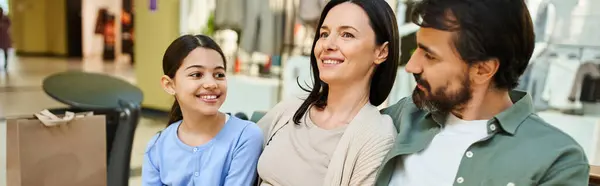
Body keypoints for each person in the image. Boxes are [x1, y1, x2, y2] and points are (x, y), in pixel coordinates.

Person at [375, 0, 590, 185]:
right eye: (417, 49)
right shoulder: (403, 116)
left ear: (483, 70)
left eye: (430, 56)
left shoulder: (557, 159)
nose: (412, 66)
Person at [256, 0, 400, 185]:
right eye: (324, 34)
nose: (327, 44)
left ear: (381, 52)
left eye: (347, 34)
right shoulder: (292, 108)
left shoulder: (377, 137)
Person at [142, 35, 264, 186]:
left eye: (219, 74)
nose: (211, 83)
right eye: (197, 74)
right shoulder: (157, 146)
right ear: (169, 85)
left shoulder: (245, 136)